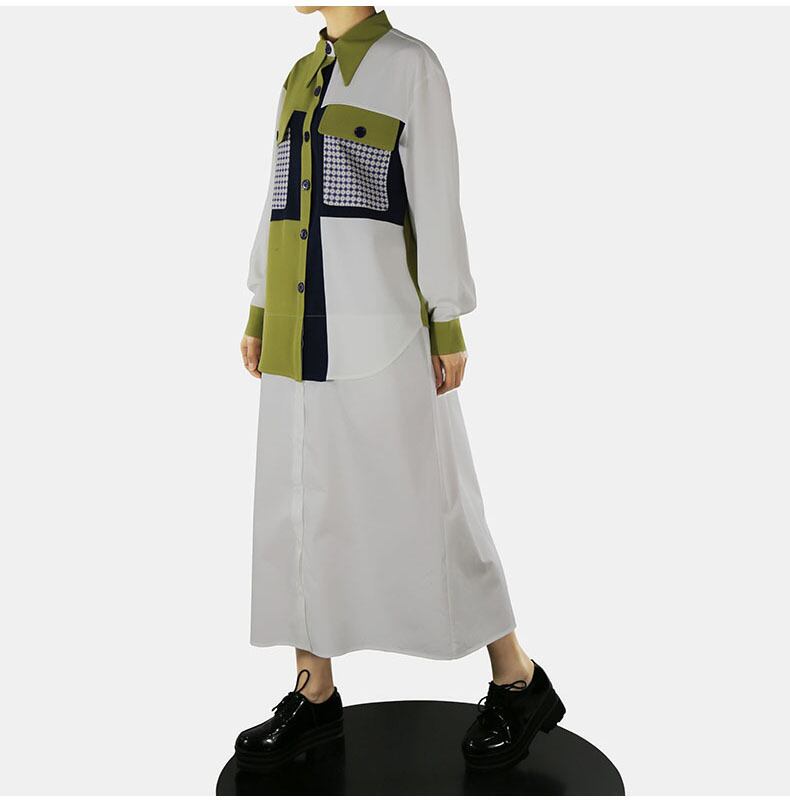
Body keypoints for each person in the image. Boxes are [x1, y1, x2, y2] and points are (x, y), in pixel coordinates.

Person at [235, 5, 564, 773]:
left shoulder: (411, 67)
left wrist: (447, 321)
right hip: (297, 329)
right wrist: (259, 307)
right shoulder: (298, 76)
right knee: (298, 508)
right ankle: (314, 693)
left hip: (381, 329)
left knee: (433, 501)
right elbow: (278, 198)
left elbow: (437, 201)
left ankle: (517, 678)